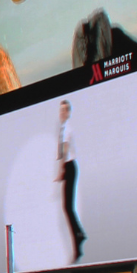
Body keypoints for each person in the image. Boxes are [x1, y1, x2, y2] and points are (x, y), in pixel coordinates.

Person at [55, 100, 86, 263]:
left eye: (63, 111)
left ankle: (78, 240)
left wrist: (62, 170)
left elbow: (66, 149)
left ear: (68, 113)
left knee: (68, 207)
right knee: (67, 207)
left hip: (70, 167)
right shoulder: (63, 128)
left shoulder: (67, 127)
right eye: (60, 111)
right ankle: (79, 236)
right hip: (69, 167)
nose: (61, 113)